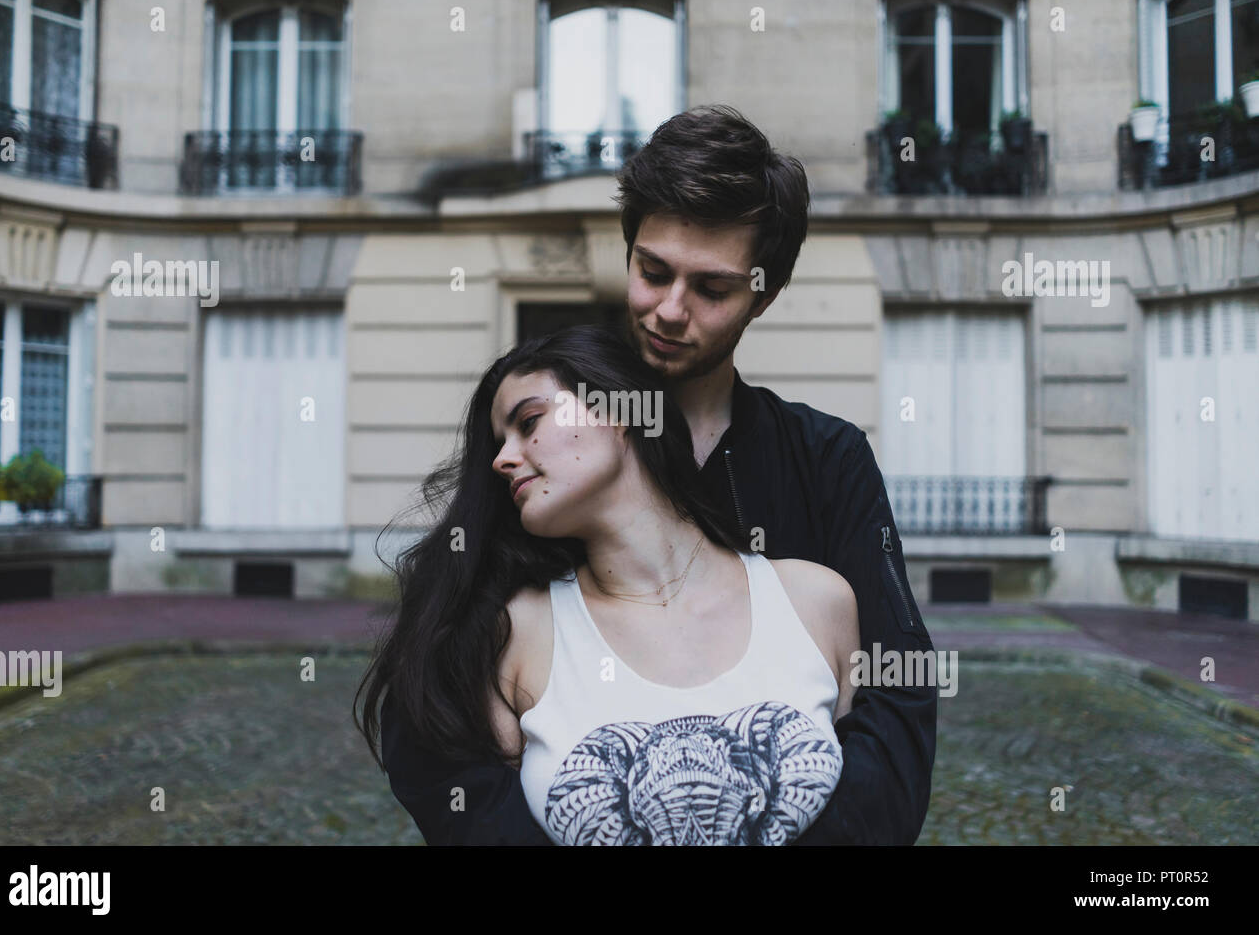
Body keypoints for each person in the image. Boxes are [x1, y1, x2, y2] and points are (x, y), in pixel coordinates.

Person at [356, 104, 937, 845]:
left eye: (711, 289)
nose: (668, 309)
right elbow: (428, 718)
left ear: (765, 294)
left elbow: (899, 691)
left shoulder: (826, 459)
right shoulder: (553, 446)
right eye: (652, 271)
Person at [358, 324, 858, 845]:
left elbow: (871, 801)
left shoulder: (816, 601)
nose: (502, 459)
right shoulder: (514, 633)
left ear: (620, 412)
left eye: (528, 422)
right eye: (500, 441)